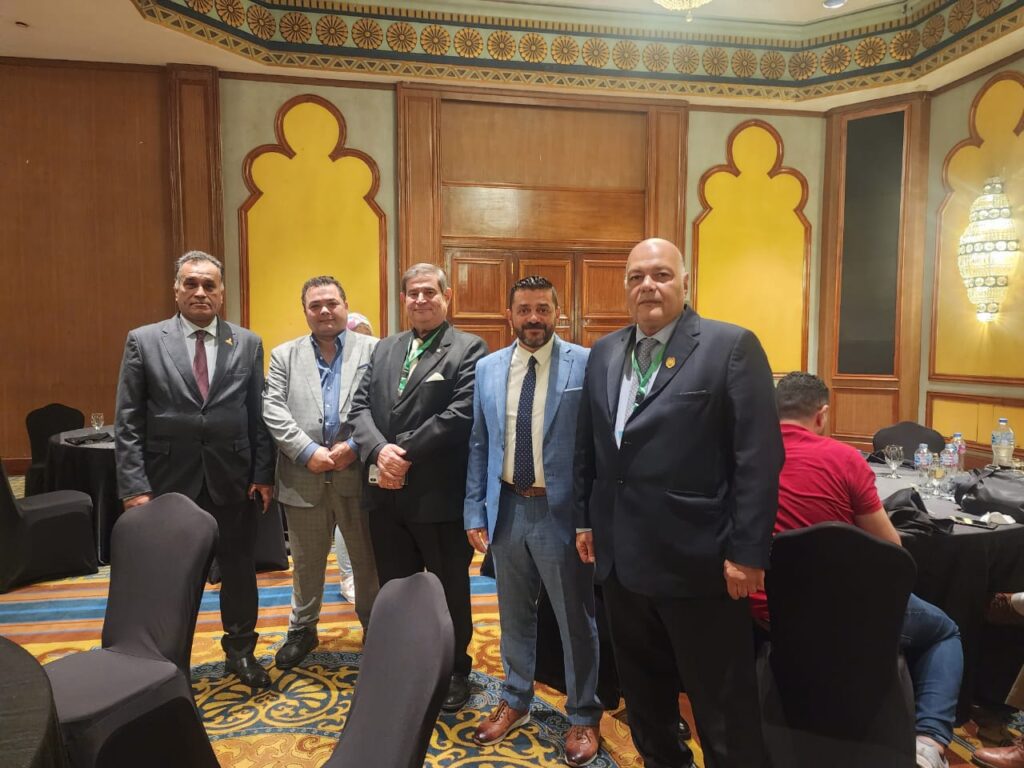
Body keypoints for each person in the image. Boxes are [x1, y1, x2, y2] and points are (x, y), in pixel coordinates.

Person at [574, 237, 781, 768]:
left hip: (700, 564)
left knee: (722, 711)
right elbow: (590, 448)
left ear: (685, 283)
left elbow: (758, 458)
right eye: (636, 276)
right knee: (645, 703)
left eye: (661, 275)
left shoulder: (729, 347)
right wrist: (584, 520)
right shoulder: (604, 352)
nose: (648, 285)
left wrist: (748, 553)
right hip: (621, 566)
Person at [748, 372, 962, 768]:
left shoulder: (745, 459)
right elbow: (893, 552)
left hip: (766, 614)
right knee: (944, 631)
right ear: (822, 415)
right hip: (849, 616)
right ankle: (929, 744)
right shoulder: (845, 458)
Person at [114, 250, 275, 689]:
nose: (200, 292)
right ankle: (169, 660)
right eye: (191, 283)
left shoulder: (247, 342)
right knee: (171, 576)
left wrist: (263, 474)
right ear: (176, 290)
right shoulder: (144, 340)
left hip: (233, 480)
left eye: (209, 285)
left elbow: (257, 415)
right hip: (168, 483)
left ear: (222, 292)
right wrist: (134, 487)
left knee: (239, 570)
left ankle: (241, 652)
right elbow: (128, 421)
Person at [464, 276, 602, 766]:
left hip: (560, 514)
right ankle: (516, 698)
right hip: (506, 508)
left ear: (558, 312)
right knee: (513, 615)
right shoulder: (488, 368)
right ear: (510, 315)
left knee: (574, 620)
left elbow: (596, 448)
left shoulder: (586, 363)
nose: (533, 318)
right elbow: (480, 443)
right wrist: (474, 508)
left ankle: (583, 715)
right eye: (524, 309)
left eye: (542, 308)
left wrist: (589, 518)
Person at [348, 262, 488, 712]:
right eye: (414, 293)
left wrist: (402, 453)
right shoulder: (385, 348)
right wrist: (378, 450)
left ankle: (455, 670)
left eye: (430, 292)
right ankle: (406, 660)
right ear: (403, 299)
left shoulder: (469, 348)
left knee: (449, 589)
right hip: (384, 495)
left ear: (447, 297)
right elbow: (358, 408)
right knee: (396, 587)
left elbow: (460, 413)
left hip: (437, 495)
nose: (422, 299)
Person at [262, 276, 380, 669]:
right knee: (306, 563)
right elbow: (273, 409)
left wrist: (356, 446)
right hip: (303, 476)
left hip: (357, 477)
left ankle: (376, 628)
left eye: (332, 303)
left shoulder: (375, 350)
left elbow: (385, 406)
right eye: (315, 305)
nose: (325, 311)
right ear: (306, 312)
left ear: (345, 306)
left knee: (367, 563)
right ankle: (302, 629)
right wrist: (307, 451)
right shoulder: (284, 355)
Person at [333, 308, 375, 599]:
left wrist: (358, 445)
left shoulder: (378, 357)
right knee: (344, 519)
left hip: (369, 452)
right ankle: (347, 576)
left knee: (364, 520)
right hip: (339, 454)